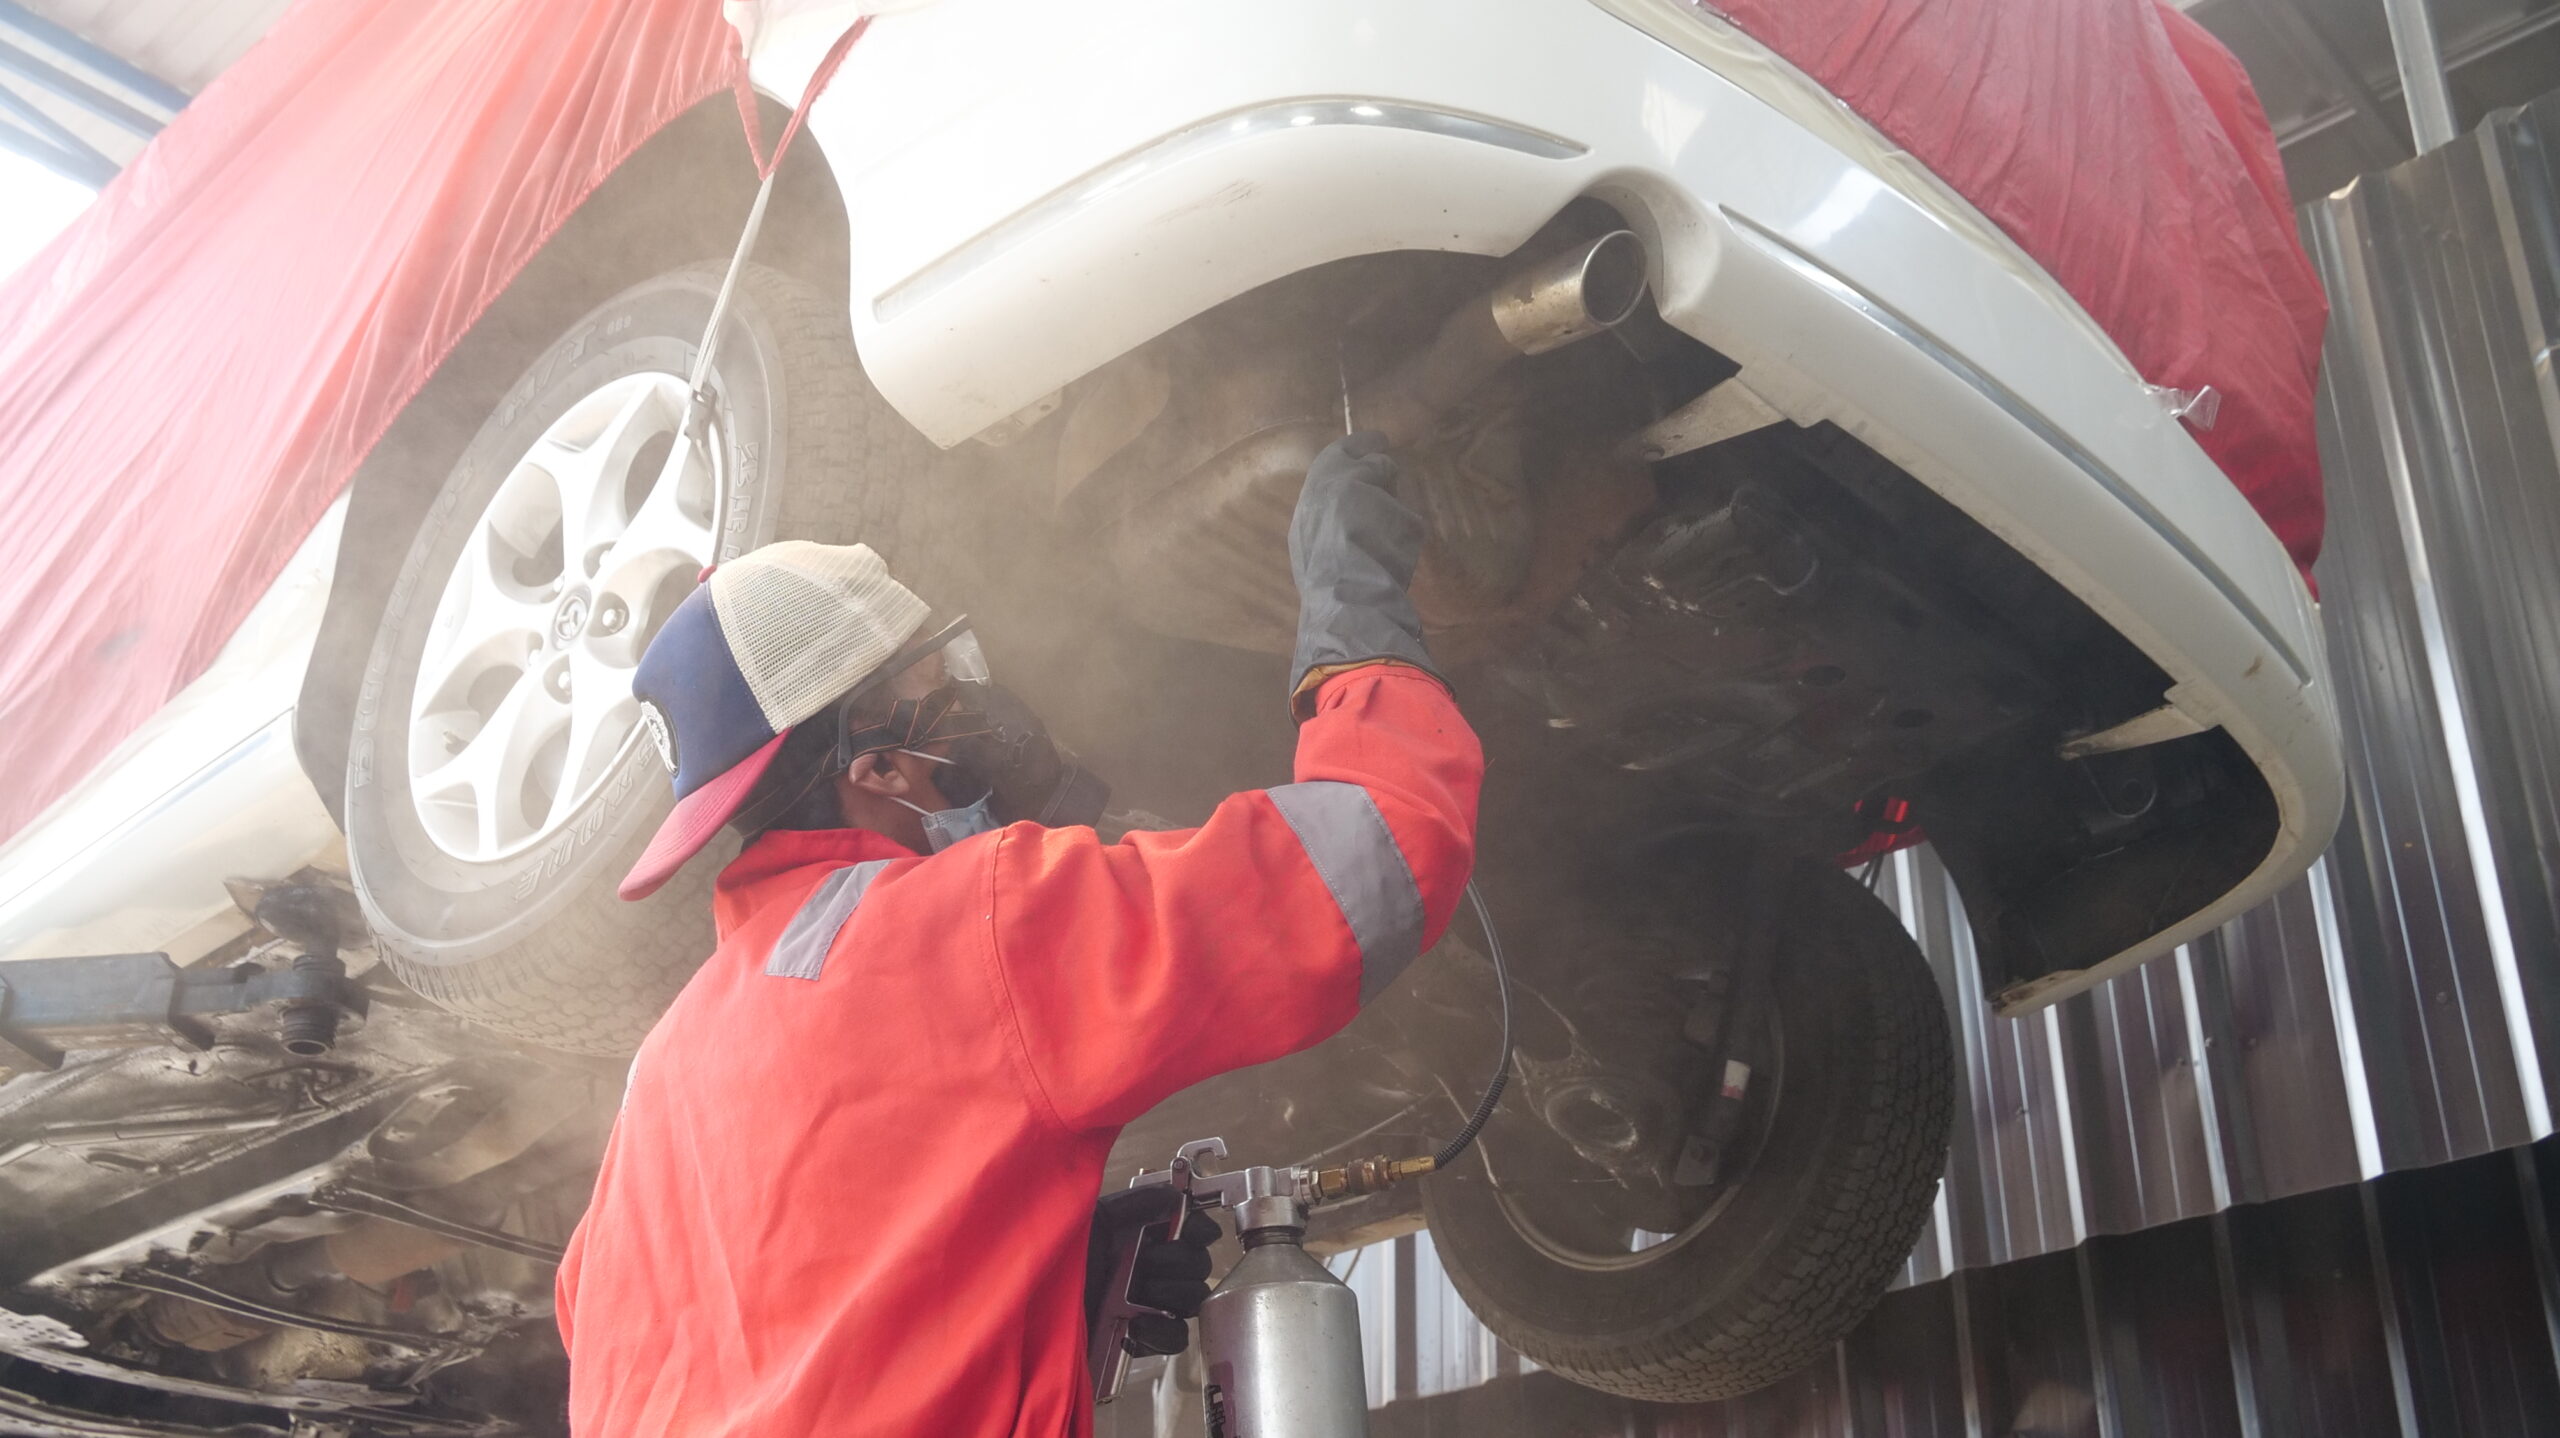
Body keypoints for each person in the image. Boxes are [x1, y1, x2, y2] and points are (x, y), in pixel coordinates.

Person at [555, 432, 1483, 1435]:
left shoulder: (657, 1081)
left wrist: (1043, 1265)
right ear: (877, 766)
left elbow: (723, 1334)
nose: (973, 709)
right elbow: (1380, 851)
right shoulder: (970, 925)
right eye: (939, 689)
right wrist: (1354, 620)